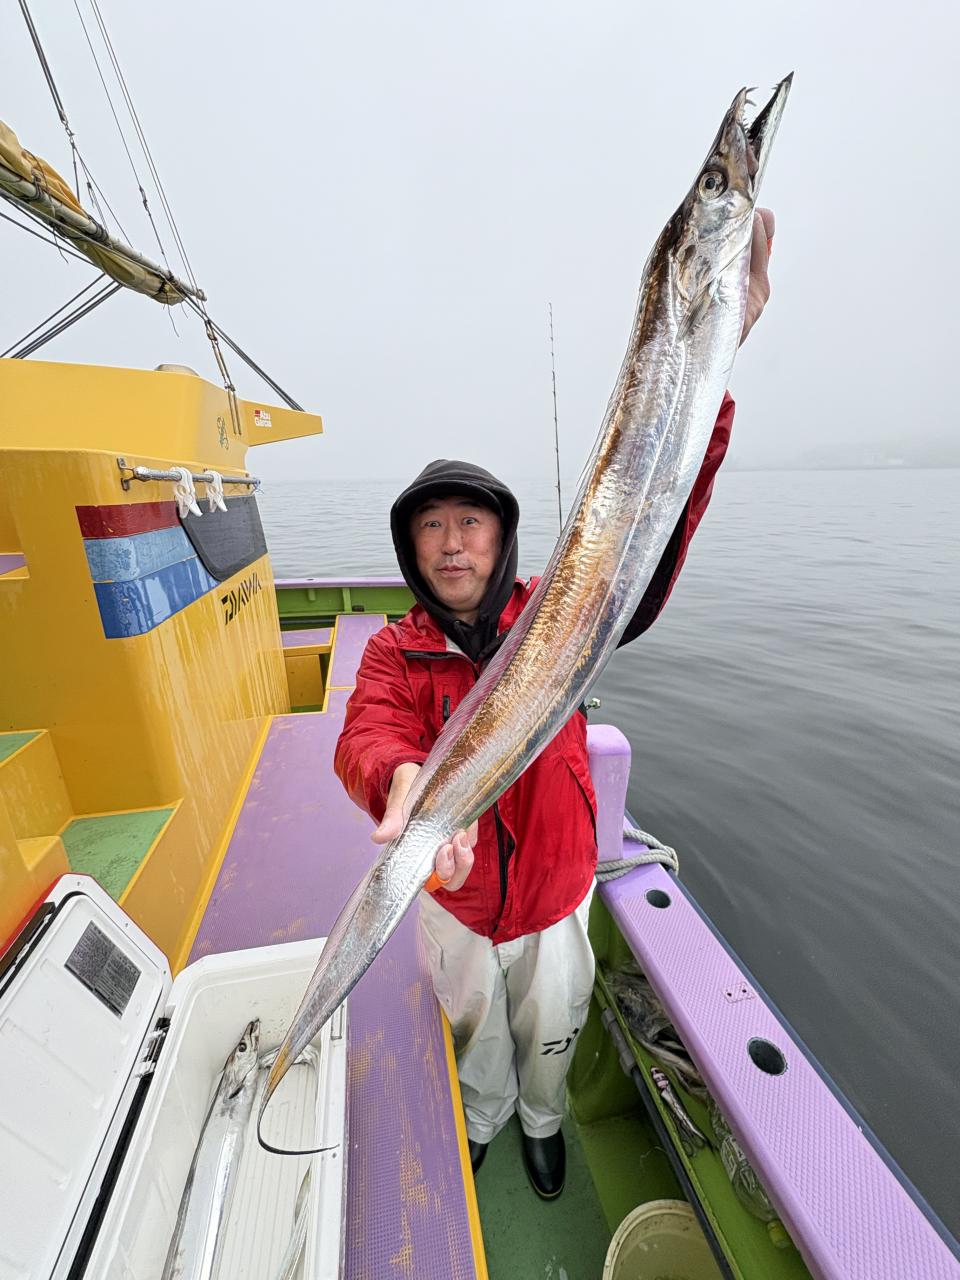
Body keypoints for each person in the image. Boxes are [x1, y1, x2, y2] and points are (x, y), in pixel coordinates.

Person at [334, 208, 776, 1199]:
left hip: (557, 891)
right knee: (475, 1029)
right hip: (455, 898)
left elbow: (651, 544)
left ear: (502, 538)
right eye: (432, 528)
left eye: (471, 523)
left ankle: (540, 1123)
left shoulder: (562, 614)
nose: (453, 543)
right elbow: (369, 734)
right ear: (412, 548)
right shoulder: (394, 652)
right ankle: (483, 1119)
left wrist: (715, 364)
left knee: (552, 1029)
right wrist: (401, 776)